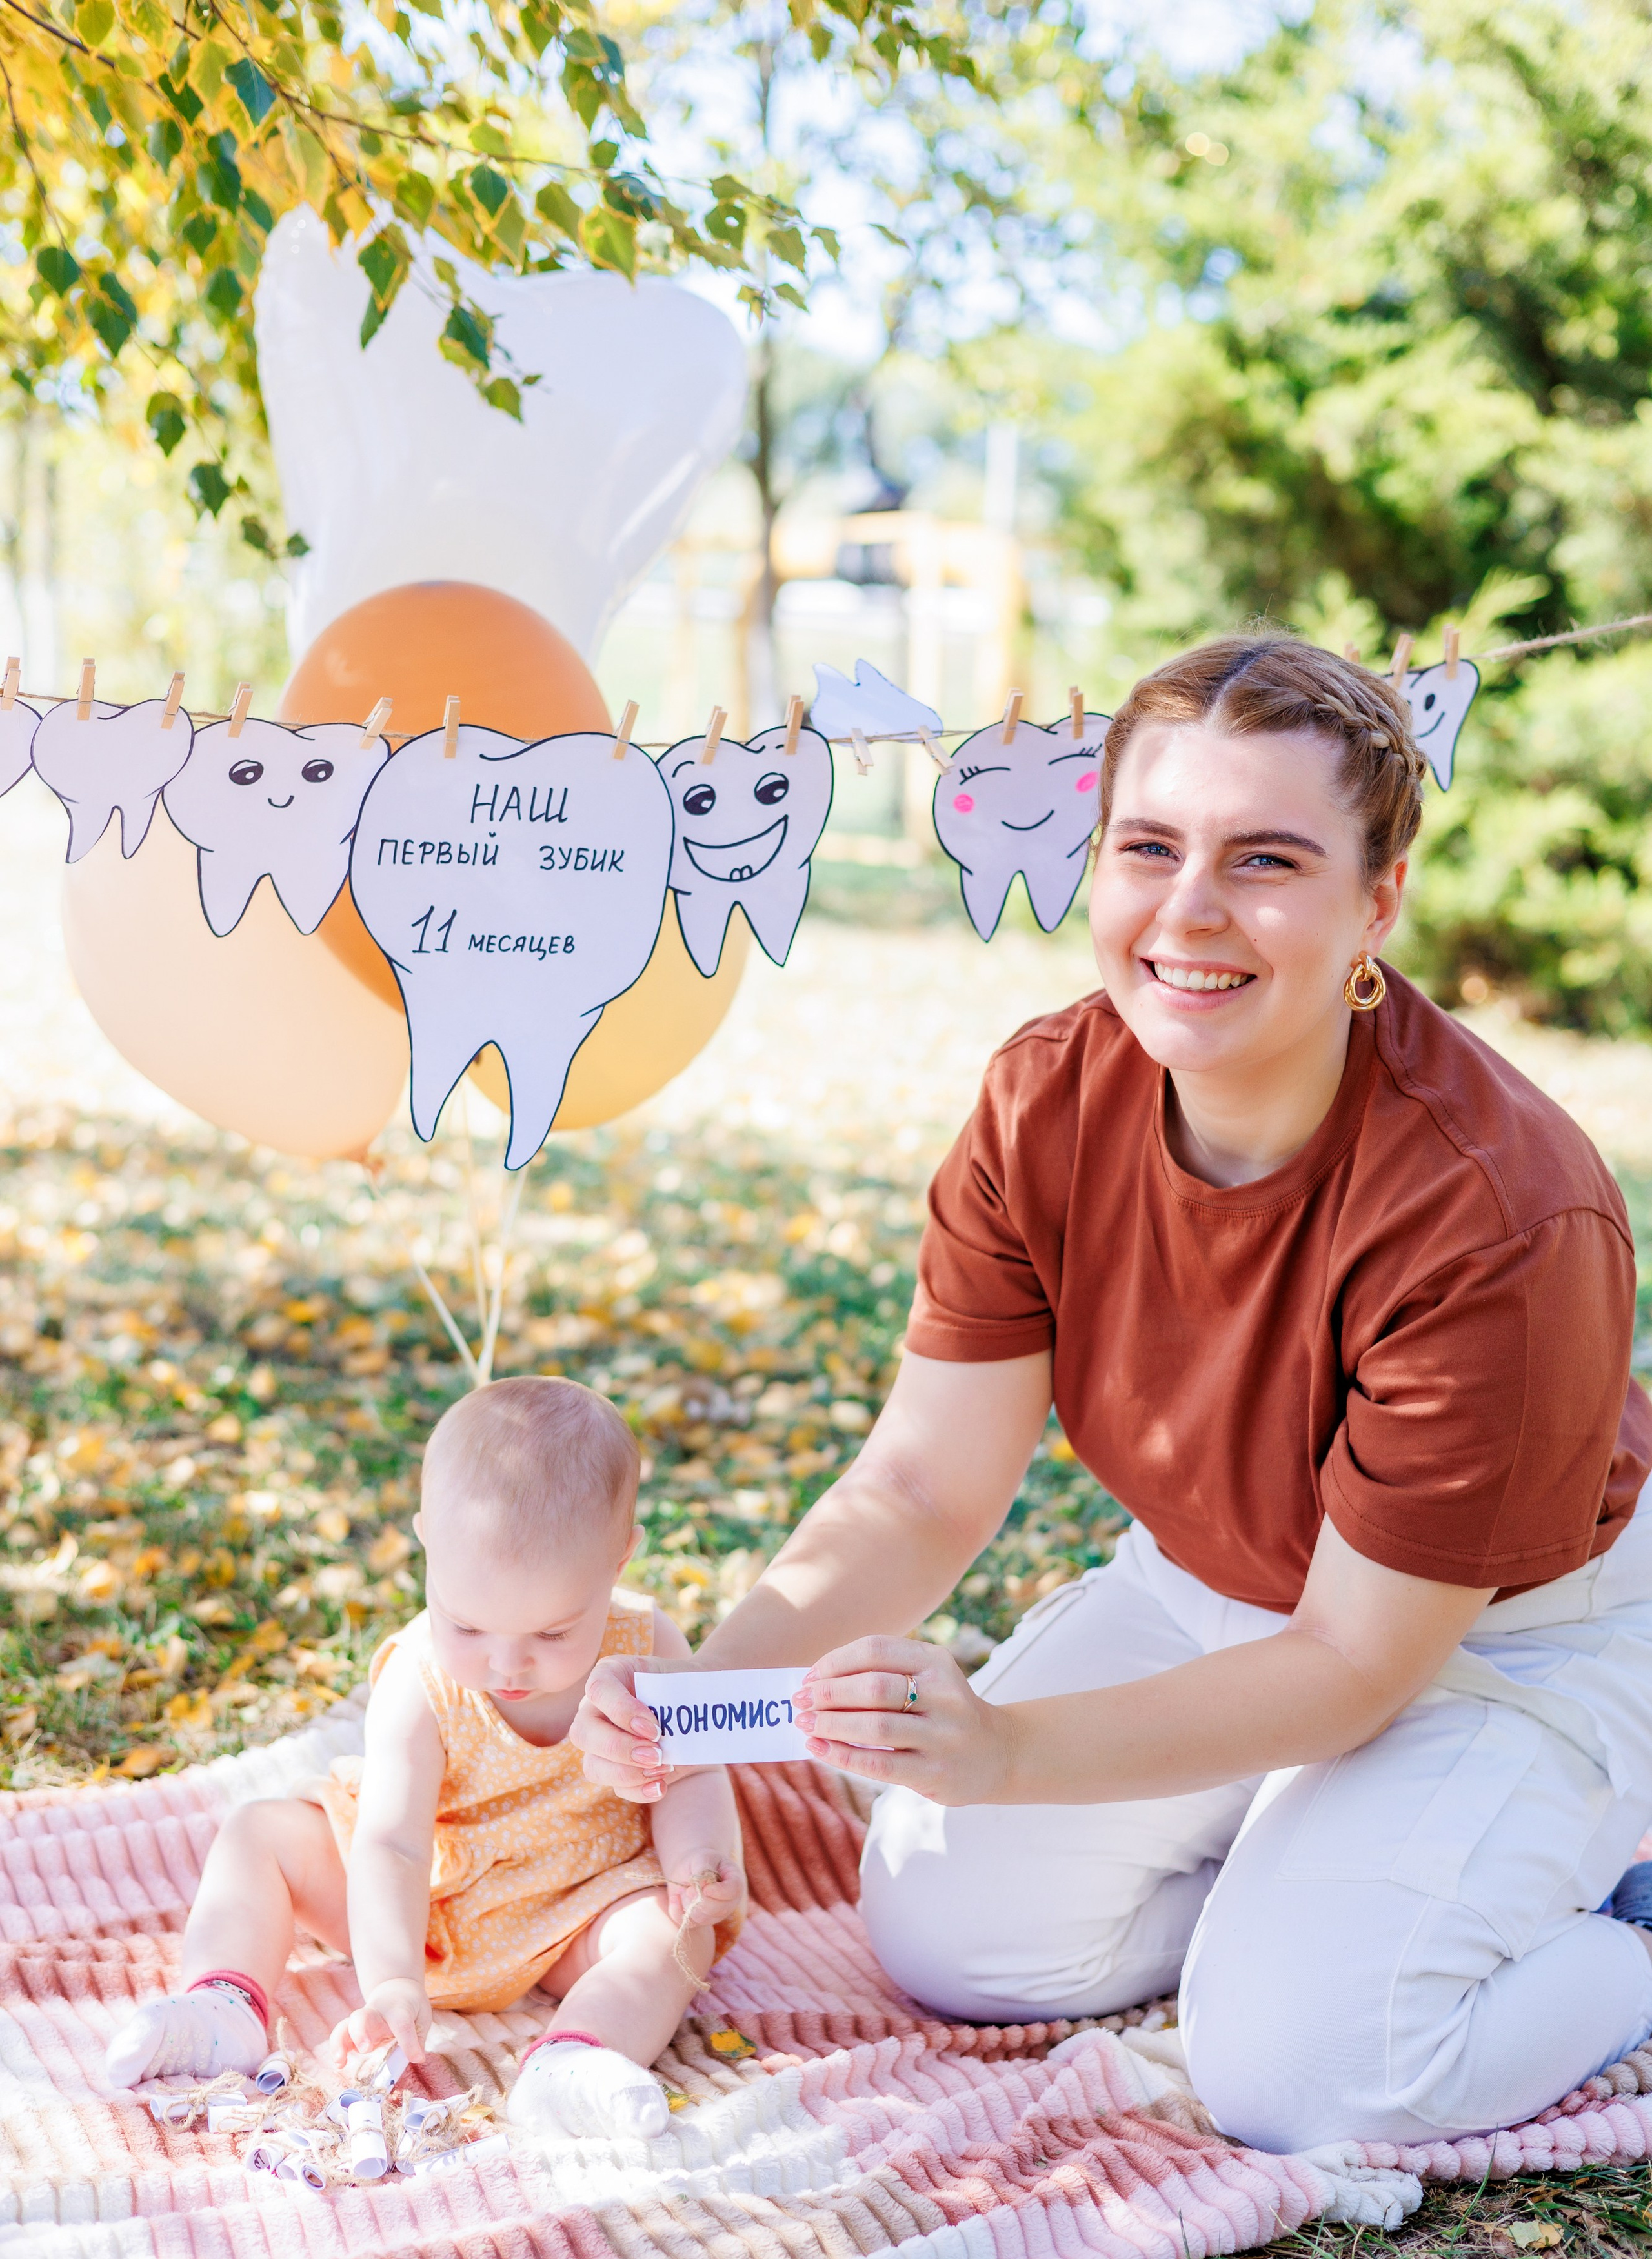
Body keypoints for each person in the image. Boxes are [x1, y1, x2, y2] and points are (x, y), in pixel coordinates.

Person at [572, 633, 1652, 2154]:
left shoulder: (1499, 1211)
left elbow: (1352, 1660)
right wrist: (697, 1709)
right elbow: (918, 1488)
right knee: (945, 1924)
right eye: (1148, 846)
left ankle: (1615, 1940)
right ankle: (1319, 1884)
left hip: (1497, 1640)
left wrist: (1012, 1752)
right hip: (1219, 1578)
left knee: (1301, 2071)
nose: (1188, 909)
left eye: (1264, 858)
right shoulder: (1044, 1098)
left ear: (1375, 903)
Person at [103, 1377, 744, 2141]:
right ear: (427, 1546)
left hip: (576, 1908)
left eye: (552, 1633)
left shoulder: (648, 1646)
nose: (508, 1664)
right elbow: (392, 1841)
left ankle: (578, 2056)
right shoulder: (420, 1674)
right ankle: (225, 2002)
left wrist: (698, 1863)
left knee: (671, 1940)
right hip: (423, 1904)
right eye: (467, 1625)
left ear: (620, 1559)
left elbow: (694, 1773)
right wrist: (395, 1980)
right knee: (257, 1835)